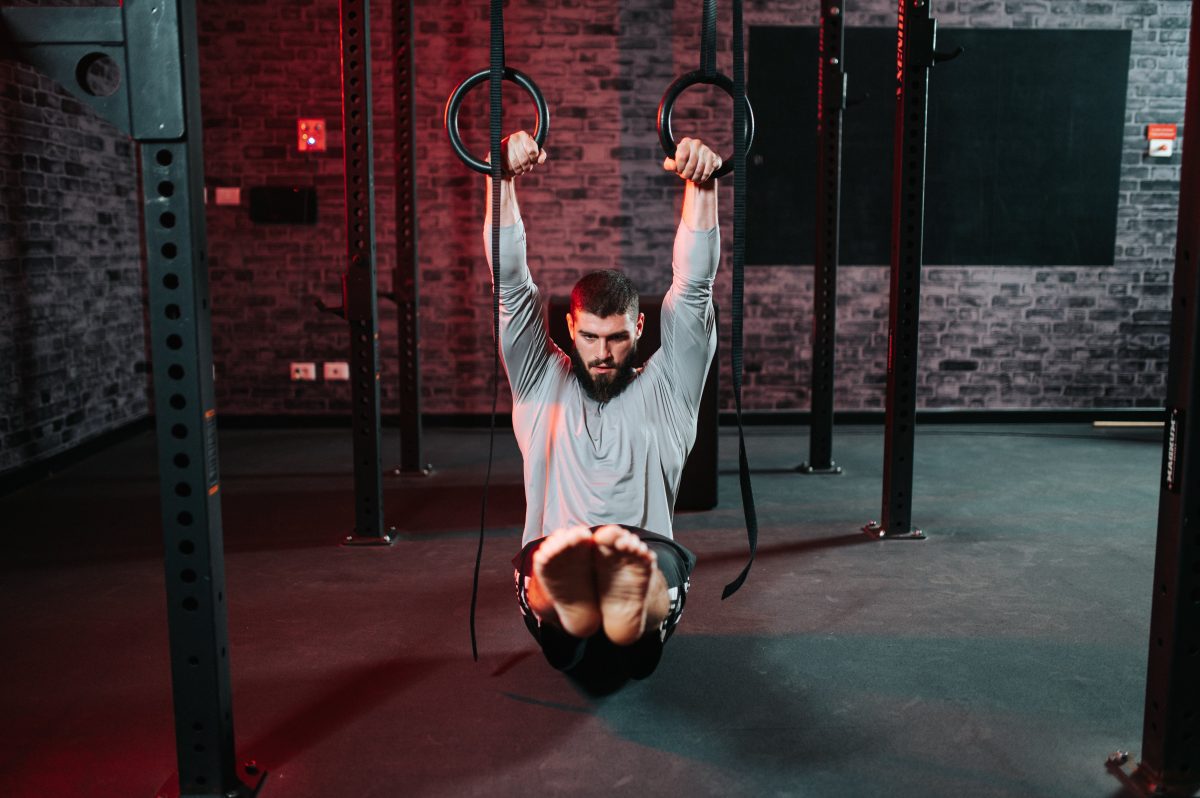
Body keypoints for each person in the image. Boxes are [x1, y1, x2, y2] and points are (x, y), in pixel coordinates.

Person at [484, 130, 722, 688]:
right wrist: (501, 181)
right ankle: (576, 605)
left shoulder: (670, 388)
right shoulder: (540, 380)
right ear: (569, 327)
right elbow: (511, 285)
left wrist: (702, 186)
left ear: (640, 328)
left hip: (649, 556)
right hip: (554, 553)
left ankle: (617, 604)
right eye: (589, 337)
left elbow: (694, 288)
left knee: (635, 620)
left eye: (616, 338)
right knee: (565, 614)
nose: (603, 353)